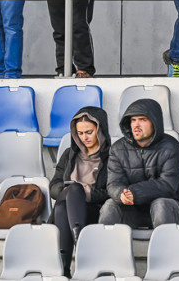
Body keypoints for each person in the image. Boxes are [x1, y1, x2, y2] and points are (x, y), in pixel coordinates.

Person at [99, 98, 179, 228]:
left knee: (160, 204)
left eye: (142, 120)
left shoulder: (170, 146)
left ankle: (164, 248)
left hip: (169, 209)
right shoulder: (117, 149)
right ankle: (106, 247)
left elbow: (168, 185)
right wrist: (121, 194)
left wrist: (134, 192)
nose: (136, 125)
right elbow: (113, 183)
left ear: (154, 122)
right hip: (133, 210)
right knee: (110, 205)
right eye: (133, 120)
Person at [50, 106, 111, 271]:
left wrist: (88, 193)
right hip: (68, 205)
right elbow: (53, 187)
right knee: (70, 195)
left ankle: (64, 268)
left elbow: (111, 191)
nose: (85, 137)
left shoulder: (112, 157)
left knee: (65, 204)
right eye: (80, 133)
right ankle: (77, 245)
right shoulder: (70, 155)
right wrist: (67, 191)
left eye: (89, 132)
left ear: (100, 130)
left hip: (93, 210)